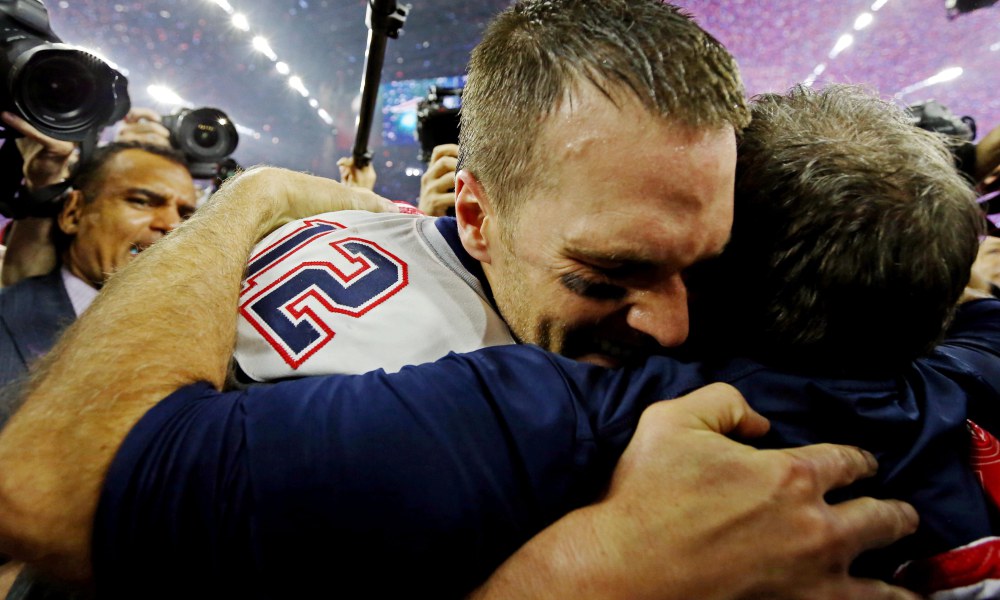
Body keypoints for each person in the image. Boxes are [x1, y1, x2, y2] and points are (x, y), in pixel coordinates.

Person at [0, 1, 919, 598]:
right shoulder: (410, 391)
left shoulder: (319, 241)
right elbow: (46, 496)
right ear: (474, 213)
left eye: (699, 268)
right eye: (606, 276)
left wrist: (259, 202)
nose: (674, 326)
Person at [0, 141, 196, 399]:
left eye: (186, 216)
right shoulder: (9, 315)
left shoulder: (192, 355)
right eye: (142, 201)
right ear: (73, 213)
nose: (172, 225)